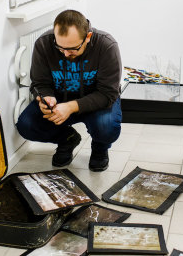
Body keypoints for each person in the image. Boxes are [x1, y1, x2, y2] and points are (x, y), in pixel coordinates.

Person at [16, 9, 122, 172]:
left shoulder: (106, 45)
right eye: (60, 48)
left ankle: (100, 147)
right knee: (26, 125)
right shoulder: (43, 43)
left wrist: (71, 107)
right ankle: (67, 139)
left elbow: (108, 94)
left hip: (96, 101)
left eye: (72, 49)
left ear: (88, 37)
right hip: (59, 101)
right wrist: (46, 97)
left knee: (106, 127)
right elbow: (39, 83)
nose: (65, 54)